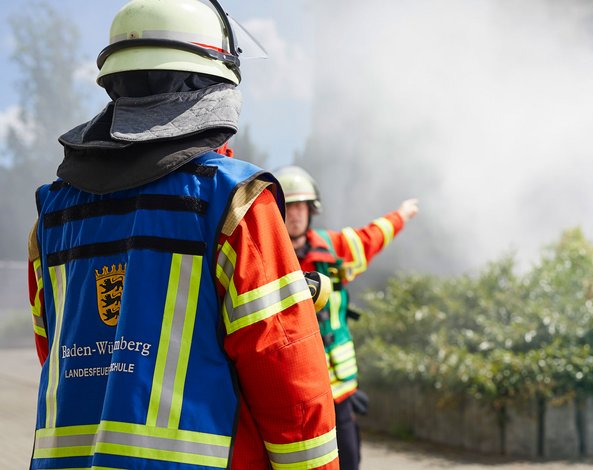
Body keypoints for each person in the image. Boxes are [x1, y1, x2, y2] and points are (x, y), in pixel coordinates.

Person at [25, 1, 337, 469]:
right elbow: (288, 376)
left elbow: (56, 351)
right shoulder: (232, 201)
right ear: (215, 84)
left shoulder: (51, 216)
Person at [275, 165, 419, 470]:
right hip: (290, 389)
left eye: (301, 205)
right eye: (288, 206)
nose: (295, 214)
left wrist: (401, 216)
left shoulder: (333, 249)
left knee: (349, 460)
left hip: (337, 388)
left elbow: (370, 238)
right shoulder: (267, 256)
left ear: (312, 210)